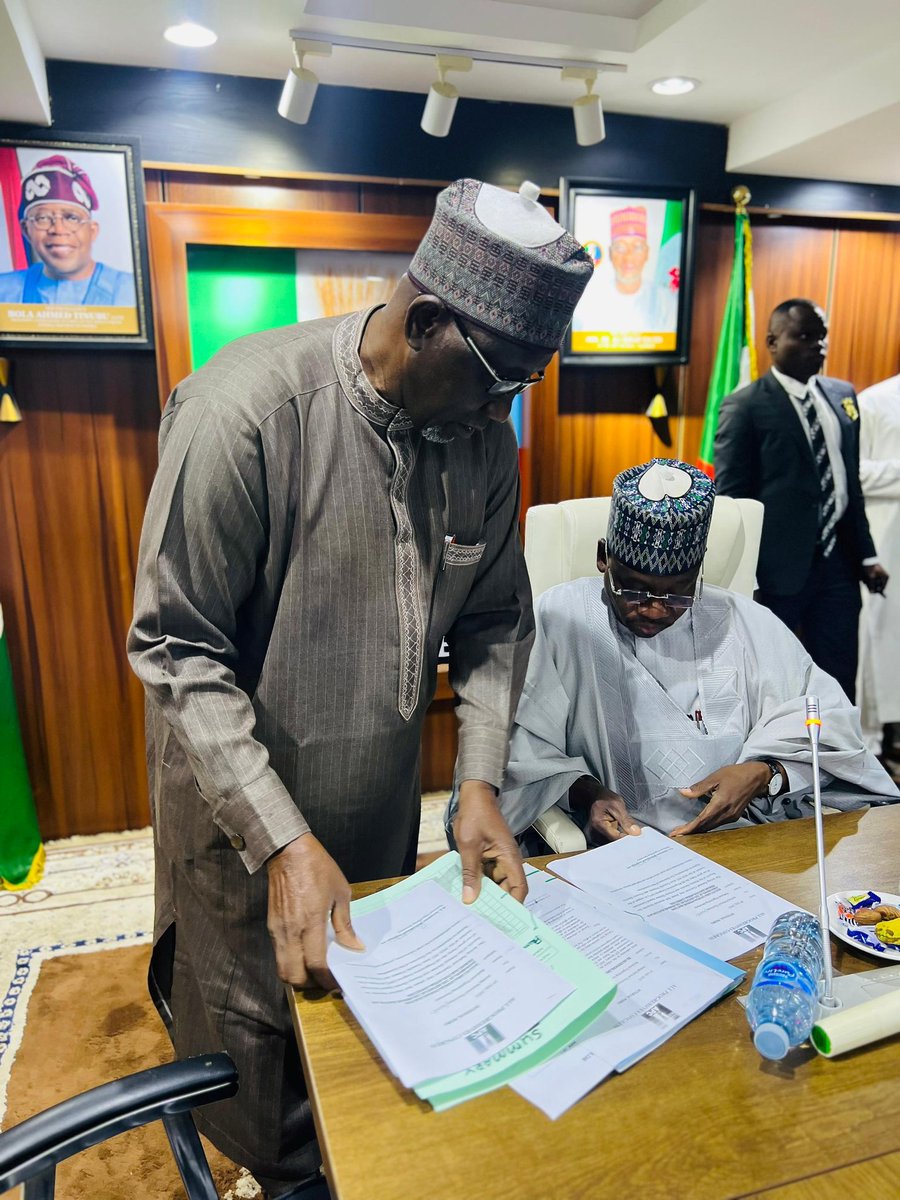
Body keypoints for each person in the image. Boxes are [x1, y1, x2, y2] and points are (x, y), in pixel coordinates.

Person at [127, 178, 592, 1197]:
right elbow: (175, 650)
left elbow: (494, 619)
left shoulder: (476, 441)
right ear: (427, 322)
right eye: (496, 382)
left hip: (377, 819)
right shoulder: (243, 415)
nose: (502, 412)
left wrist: (475, 781)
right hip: (243, 829)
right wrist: (284, 842)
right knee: (263, 1078)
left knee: (370, 1075)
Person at [492, 459, 897, 846]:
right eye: (633, 589)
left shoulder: (745, 621)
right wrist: (586, 793)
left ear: (698, 570)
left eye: (677, 594)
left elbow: (826, 721)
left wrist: (765, 772)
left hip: (749, 837)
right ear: (603, 557)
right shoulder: (561, 618)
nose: (653, 608)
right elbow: (519, 749)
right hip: (625, 847)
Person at [715, 299, 888, 701]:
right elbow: (732, 501)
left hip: (839, 568)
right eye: (805, 337)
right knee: (768, 678)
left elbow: (848, 485)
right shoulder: (745, 406)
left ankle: (835, 757)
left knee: (839, 674)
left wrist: (866, 555)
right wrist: (746, 575)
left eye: (822, 338)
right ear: (773, 342)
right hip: (776, 574)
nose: (819, 347)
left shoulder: (842, 396)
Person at [0, 154, 135, 306]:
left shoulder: (132, 291)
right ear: (26, 231)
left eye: (72, 218)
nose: (58, 229)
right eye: (42, 218)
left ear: (92, 231)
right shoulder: (4, 292)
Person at [856, 371, 900, 760]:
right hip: (885, 541)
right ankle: (871, 742)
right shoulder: (874, 400)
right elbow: (856, 472)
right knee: (877, 636)